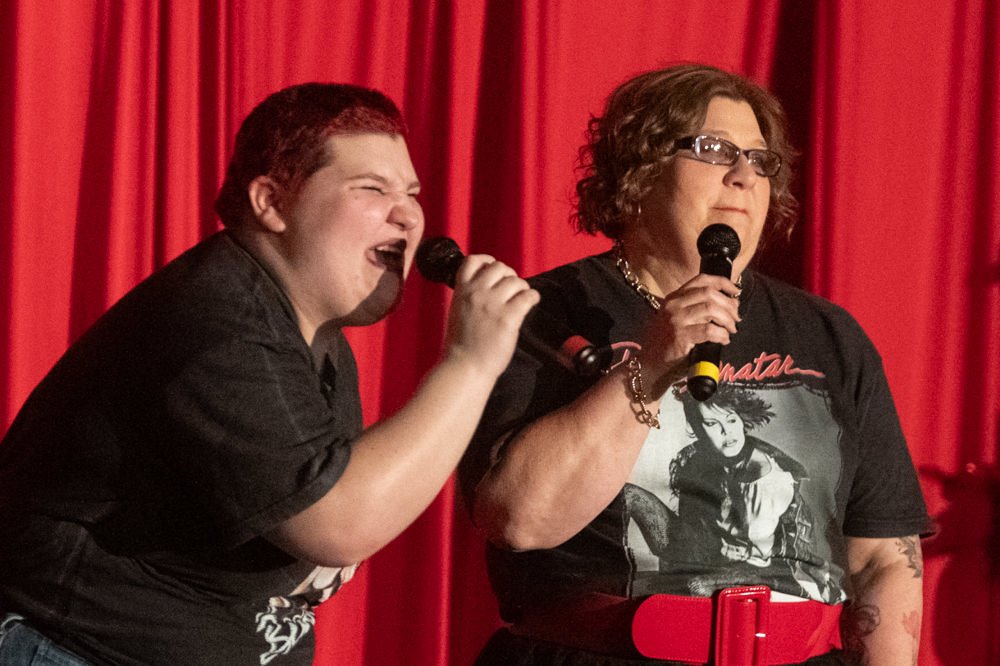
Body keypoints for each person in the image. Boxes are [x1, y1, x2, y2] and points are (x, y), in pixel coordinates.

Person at [0, 82, 539, 665]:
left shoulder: (311, 340)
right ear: (271, 203)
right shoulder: (216, 321)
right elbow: (338, 523)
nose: (408, 214)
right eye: (372, 189)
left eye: (411, 192)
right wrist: (470, 362)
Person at [459, 64, 930, 665]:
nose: (743, 176)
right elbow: (519, 520)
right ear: (640, 167)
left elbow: (884, 559)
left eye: (761, 162)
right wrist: (651, 366)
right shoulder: (541, 314)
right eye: (714, 150)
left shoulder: (831, 336)